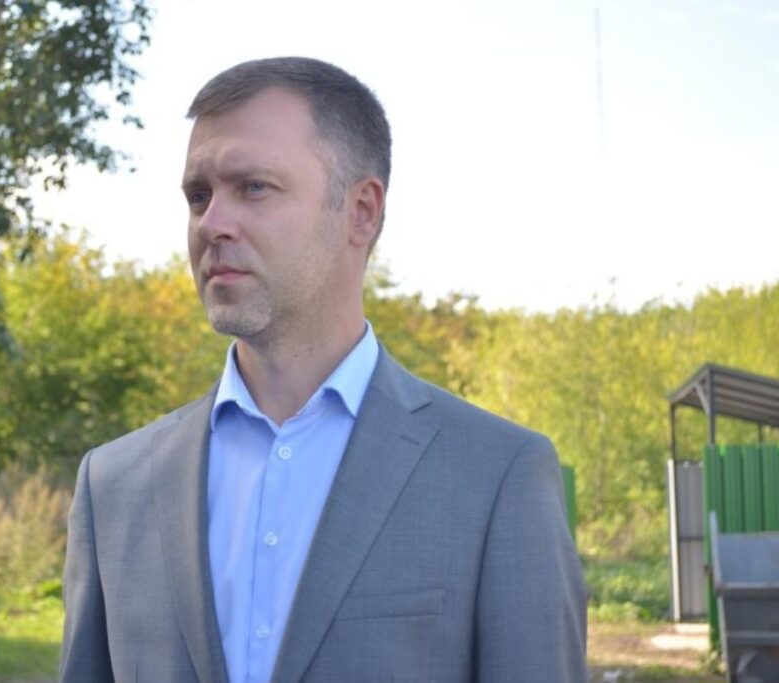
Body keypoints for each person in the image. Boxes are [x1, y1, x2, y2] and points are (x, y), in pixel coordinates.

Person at [60, 56, 587, 683]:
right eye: (199, 196)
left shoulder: (496, 476)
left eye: (254, 187)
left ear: (361, 211)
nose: (212, 224)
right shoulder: (112, 485)